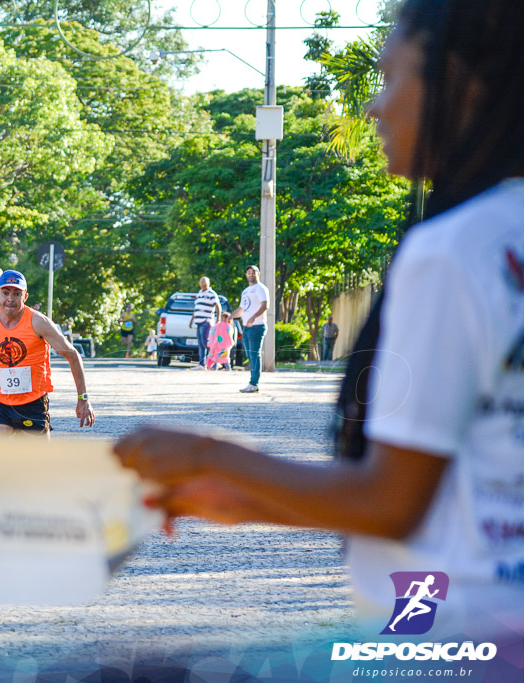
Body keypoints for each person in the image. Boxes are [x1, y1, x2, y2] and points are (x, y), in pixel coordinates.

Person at [115, 0, 524, 641]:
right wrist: (248, 499)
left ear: (459, 79)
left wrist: (205, 451)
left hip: (458, 635)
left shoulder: (453, 250)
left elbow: (390, 504)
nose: (373, 106)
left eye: (390, 78)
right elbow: (448, 488)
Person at [0, 270, 95, 437]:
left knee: (34, 462)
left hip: (32, 403)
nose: (10, 298)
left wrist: (83, 398)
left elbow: (73, 355)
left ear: (25, 297)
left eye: (17, 293)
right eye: (5, 293)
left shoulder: (39, 322)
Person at [231, 266, 269, 393]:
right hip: (246, 327)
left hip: (257, 326)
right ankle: (252, 382)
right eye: (248, 273)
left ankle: (254, 383)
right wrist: (230, 317)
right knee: (250, 355)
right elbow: (241, 309)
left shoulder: (261, 288)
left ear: (258, 274)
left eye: (253, 273)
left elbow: (265, 306)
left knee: (254, 354)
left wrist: (253, 317)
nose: (251, 275)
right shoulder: (246, 291)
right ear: (246, 275)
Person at [190, 277, 221, 370]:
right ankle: (202, 364)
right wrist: (192, 320)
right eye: (201, 282)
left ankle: (215, 362)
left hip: (206, 321)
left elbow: (218, 306)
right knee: (200, 343)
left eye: (205, 282)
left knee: (206, 343)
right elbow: (196, 309)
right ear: (199, 284)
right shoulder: (199, 294)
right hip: (198, 322)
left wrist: (218, 319)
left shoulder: (211, 294)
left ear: (209, 283)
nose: (203, 284)